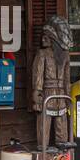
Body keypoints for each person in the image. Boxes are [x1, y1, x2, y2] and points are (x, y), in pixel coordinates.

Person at [32, 14, 73, 151]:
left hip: (61, 94)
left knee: (61, 120)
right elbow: (38, 76)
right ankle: (42, 144)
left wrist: (68, 96)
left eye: (47, 37)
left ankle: (62, 142)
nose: (43, 40)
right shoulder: (41, 54)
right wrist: (37, 93)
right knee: (44, 119)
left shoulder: (65, 56)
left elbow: (67, 79)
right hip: (47, 93)